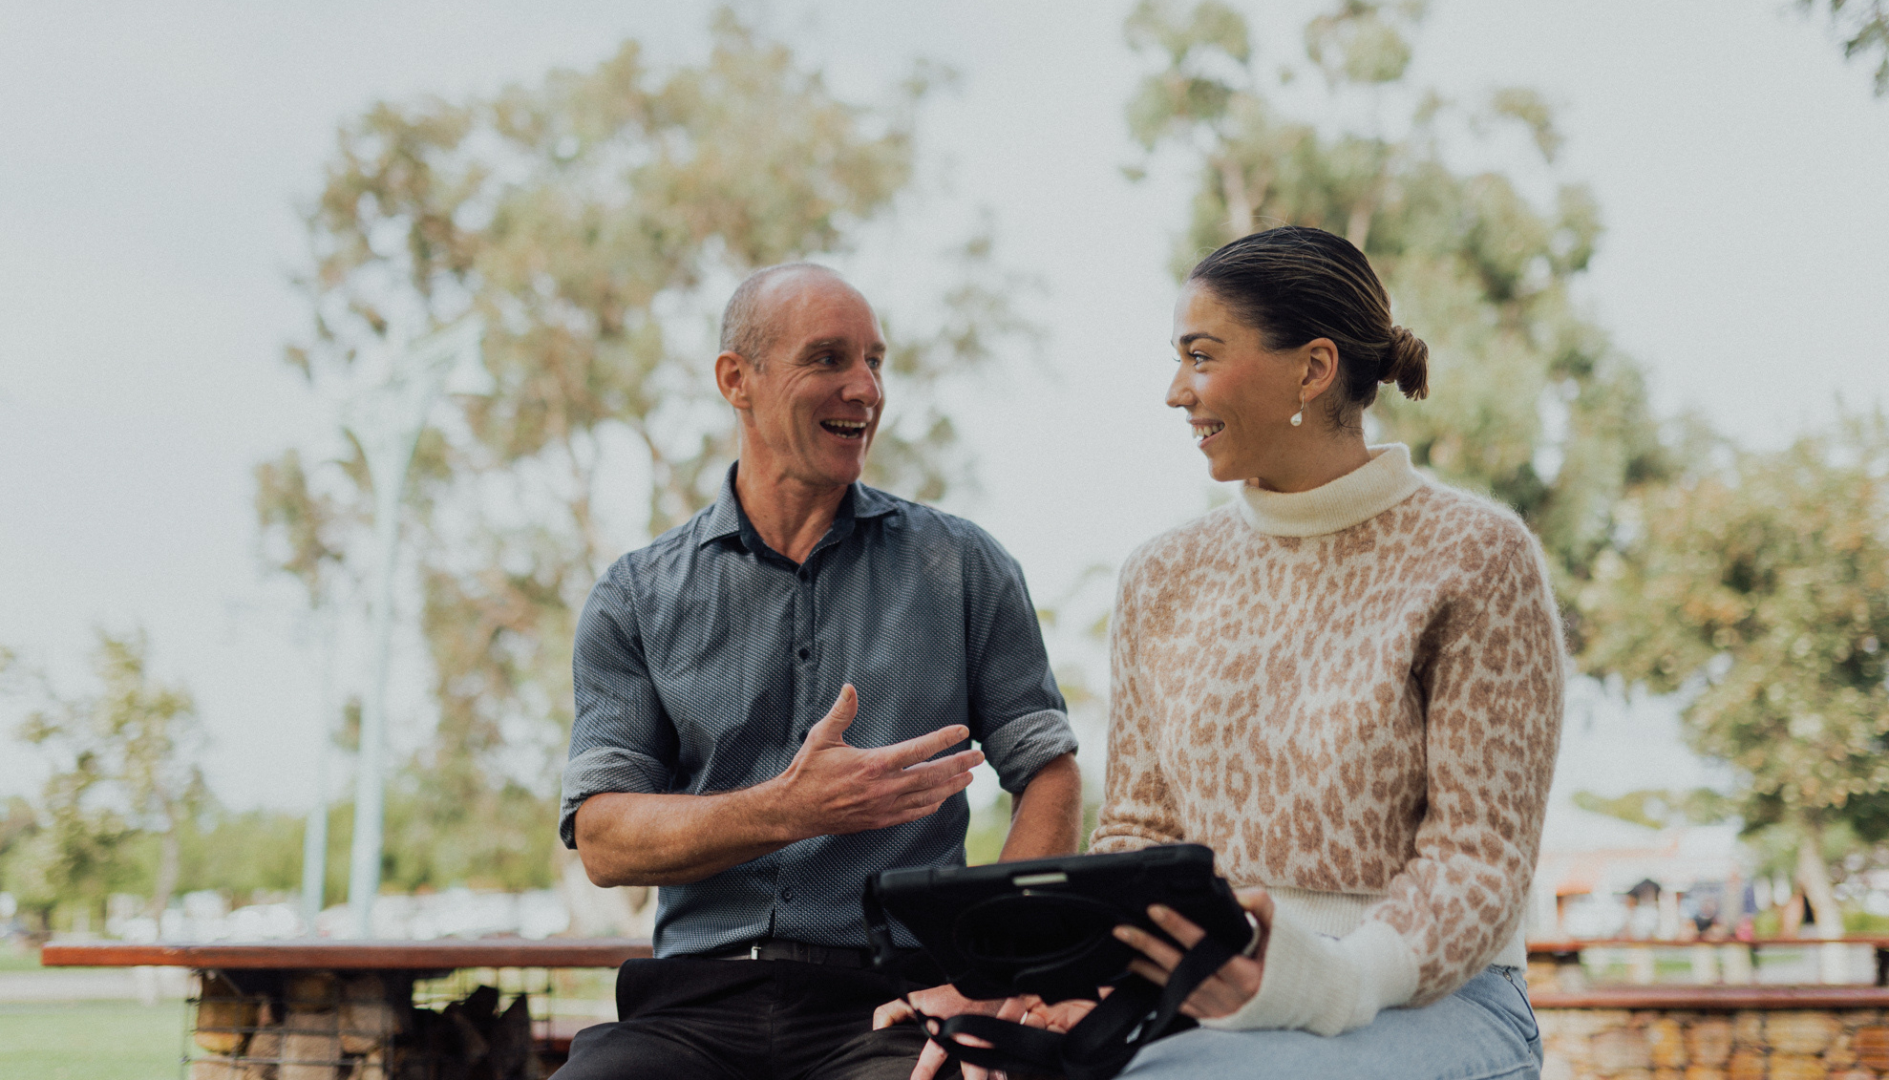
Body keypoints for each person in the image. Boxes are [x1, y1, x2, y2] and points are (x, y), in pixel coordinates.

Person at [1028, 225, 1565, 1079]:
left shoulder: (1474, 554)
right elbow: (1138, 830)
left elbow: (1479, 860)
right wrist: (1067, 980)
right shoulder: (1162, 576)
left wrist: (1326, 981)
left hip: (1437, 998)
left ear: (1312, 370)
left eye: (1201, 357)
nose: (1175, 391)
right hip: (1200, 995)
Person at [554, 263, 1083, 1080]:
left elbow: (1049, 769)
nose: (865, 388)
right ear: (739, 379)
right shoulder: (635, 596)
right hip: (690, 1009)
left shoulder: (965, 567)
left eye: (876, 361)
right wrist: (787, 810)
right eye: (830, 359)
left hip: (892, 1003)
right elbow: (603, 838)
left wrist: (989, 975)